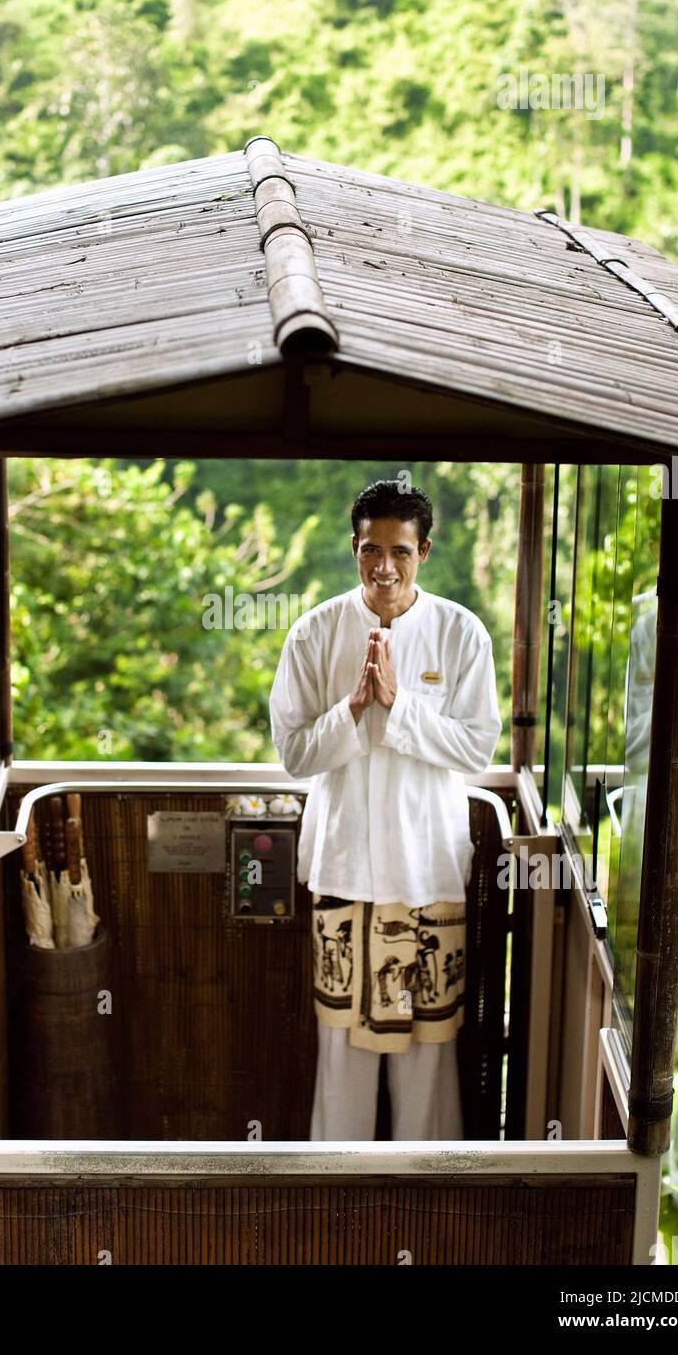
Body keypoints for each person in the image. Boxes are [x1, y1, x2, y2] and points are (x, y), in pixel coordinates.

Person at [268, 480, 502, 1141]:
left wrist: (400, 707)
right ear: (354, 548)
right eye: (371, 549)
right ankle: (334, 1207)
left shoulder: (461, 633)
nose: (385, 566)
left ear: (424, 549)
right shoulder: (315, 632)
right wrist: (352, 710)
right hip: (344, 867)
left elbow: (477, 750)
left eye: (400, 550)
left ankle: (429, 1206)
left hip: (428, 868)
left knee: (429, 1052)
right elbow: (294, 754)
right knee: (340, 1054)